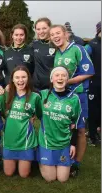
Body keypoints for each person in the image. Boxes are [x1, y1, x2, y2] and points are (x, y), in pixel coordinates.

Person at [50, 24, 95, 177]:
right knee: (66, 126)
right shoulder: (57, 53)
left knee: (81, 129)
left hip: (79, 94)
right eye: (52, 35)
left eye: (58, 33)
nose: (55, 37)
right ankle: (64, 158)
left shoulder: (78, 49)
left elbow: (89, 72)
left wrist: (67, 81)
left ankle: (76, 164)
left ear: (65, 34)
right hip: (63, 95)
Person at [36, 66, 80, 183]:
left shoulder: (74, 99)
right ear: (51, 79)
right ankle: (40, 158)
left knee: (62, 179)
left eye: (63, 75)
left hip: (64, 143)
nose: (60, 78)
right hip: (47, 143)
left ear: (67, 79)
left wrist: (73, 144)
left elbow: (74, 124)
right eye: (57, 75)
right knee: (50, 178)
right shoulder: (43, 95)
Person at [3, 66, 40, 178]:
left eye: (23, 77)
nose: (20, 80)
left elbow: (41, 114)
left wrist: (33, 117)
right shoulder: (6, 95)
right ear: (12, 80)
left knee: (24, 175)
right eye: (17, 77)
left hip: (26, 141)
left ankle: (32, 157)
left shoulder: (35, 97)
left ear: (28, 78)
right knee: (8, 173)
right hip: (9, 140)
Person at [85, 21, 101, 145]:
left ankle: (98, 131)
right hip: (94, 83)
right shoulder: (91, 44)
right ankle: (92, 135)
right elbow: (82, 57)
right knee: (93, 109)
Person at [30, 17, 55, 91]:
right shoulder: (33, 45)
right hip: (36, 87)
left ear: (50, 28)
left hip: (53, 87)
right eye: (38, 29)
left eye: (44, 28)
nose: (41, 31)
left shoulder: (56, 45)